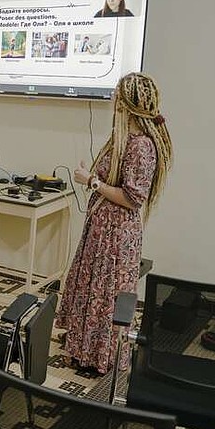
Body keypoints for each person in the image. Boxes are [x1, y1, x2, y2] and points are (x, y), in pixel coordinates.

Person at [56, 73, 172, 374]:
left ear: (126, 102)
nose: (111, 98)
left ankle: (100, 355)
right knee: (93, 287)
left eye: (116, 93)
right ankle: (83, 348)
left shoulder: (142, 146)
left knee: (107, 293)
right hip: (102, 229)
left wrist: (91, 181)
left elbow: (133, 198)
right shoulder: (124, 137)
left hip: (117, 234)